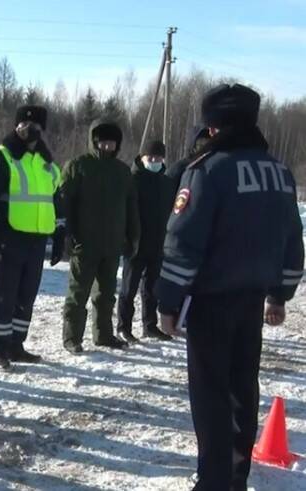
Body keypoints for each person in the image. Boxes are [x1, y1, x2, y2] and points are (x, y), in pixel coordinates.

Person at [156, 83, 304, 491]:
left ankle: (214, 482)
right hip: (253, 300)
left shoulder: (208, 170)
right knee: (243, 390)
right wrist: (280, 294)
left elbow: (182, 242)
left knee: (211, 397)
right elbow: (294, 238)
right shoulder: (279, 172)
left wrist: (168, 302)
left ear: (214, 126)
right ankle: (236, 476)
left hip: (210, 303)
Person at [0, 105, 64, 370]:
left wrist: (59, 233)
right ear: (16, 126)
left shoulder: (47, 163)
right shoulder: (3, 157)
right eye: (24, 124)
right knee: (3, 295)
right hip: (7, 236)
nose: (29, 130)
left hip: (36, 239)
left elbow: (55, 199)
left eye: (35, 125)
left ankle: (16, 345)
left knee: (26, 295)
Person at [60, 119, 140, 354]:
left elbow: (131, 207)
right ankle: (72, 338)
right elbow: (65, 203)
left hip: (113, 243)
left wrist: (133, 237)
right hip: (84, 243)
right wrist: (68, 235)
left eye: (112, 142)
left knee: (106, 294)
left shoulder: (123, 172)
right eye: (103, 141)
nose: (107, 146)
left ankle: (103, 334)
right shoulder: (78, 166)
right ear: (95, 141)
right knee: (78, 294)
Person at [116, 140, 177, 342]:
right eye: (150, 158)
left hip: (158, 244)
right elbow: (123, 212)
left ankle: (150, 325)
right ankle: (124, 327)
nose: (154, 161)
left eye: (158, 158)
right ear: (142, 158)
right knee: (128, 289)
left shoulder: (166, 182)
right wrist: (126, 238)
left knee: (152, 289)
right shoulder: (132, 179)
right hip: (135, 244)